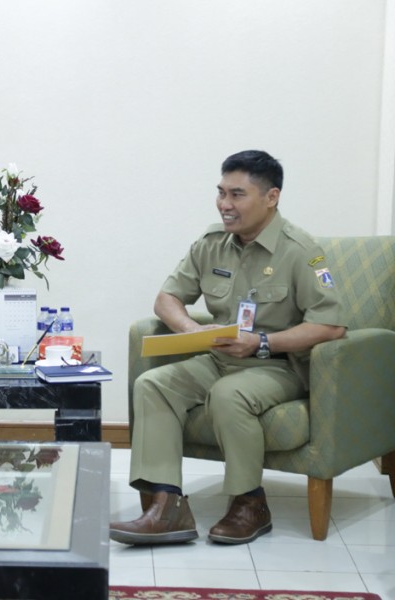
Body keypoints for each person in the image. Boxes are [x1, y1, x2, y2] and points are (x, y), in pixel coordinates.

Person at [110, 150, 346, 546]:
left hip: (277, 365)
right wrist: (192, 330)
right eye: (221, 193)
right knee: (152, 384)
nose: (224, 204)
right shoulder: (211, 243)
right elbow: (166, 299)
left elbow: (332, 325)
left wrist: (263, 341)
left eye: (237, 195)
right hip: (218, 358)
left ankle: (249, 503)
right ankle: (168, 508)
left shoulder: (302, 251)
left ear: (271, 197)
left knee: (228, 394)